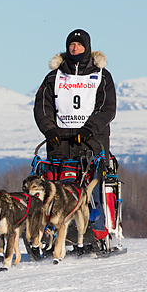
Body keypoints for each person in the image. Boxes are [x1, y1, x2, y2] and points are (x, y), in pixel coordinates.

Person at [33, 28, 117, 239]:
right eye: (71, 44)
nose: (75, 47)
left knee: (91, 188)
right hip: (59, 143)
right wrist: (49, 130)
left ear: (87, 48)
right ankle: (50, 231)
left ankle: (96, 229)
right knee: (56, 188)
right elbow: (43, 107)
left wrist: (89, 129)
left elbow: (107, 108)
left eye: (79, 44)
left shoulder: (102, 76)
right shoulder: (54, 76)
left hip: (92, 144)